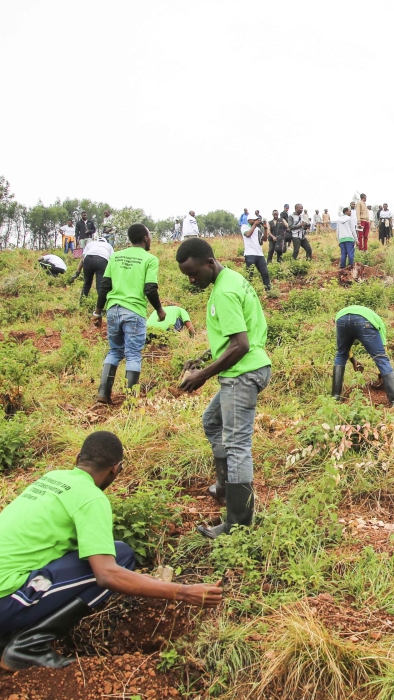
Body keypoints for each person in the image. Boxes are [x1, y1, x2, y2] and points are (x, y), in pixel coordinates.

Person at [0, 431, 222, 671]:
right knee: (121, 558)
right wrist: (184, 592)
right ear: (116, 469)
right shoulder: (91, 498)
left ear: (78, 459)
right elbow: (107, 576)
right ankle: (27, 647)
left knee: (91, 555)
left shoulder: (52, 479)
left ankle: (0, 640)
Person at [176, 238, 272, 538]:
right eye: (186, 276)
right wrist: (206, 356)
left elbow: (240, 345)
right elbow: (237, 334)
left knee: (237, 446)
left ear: (209, 262)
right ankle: (223, 486)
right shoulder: (232, 279)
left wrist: (203, 374)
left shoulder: (225, 292)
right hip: (249, 366)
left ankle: (238, 523)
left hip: (243, 373)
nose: (192, 281)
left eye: (194, 274)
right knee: (212, 420)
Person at [94, 223, 164, 402]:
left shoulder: (115, 257)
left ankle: (103, 394)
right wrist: (159, 310)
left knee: (115, 351)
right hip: (134, 312)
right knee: (133, 353)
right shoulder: (150, 259)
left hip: (113, 310)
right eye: (150, 236)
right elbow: (150, 289)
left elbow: (105, 286)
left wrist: (97, 312)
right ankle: (131, 398)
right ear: (146, 238)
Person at [332, 305, 394, 406]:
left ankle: (335, 397)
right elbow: (382, 349)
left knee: (340, 355)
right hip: (363, 321)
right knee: (380, 357)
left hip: (341, 318)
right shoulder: (377, 320)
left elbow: (344, 350)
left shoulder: (344, 315)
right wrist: (380, 374)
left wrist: (352, 360)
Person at [73, 235, 114, 299]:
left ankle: (82, 302)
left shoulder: (90, 244)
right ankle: (101, 305)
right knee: (100, 285)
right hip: (102, 260)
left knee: (87, 283)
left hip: (88, 259)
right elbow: (112, 260)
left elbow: (82, 259)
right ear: (105, 242)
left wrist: (77, 272)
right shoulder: (109, 246)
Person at [241, 212, 272, 291]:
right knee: (250, 274)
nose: (256, 221)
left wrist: (265, 229)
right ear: (249, 220)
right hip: (249, 254)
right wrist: (254, 225)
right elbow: (248, 234)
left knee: (265, 273)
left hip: (259, 254)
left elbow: (264, 239)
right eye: (254, 220)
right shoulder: (244, 227)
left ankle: (268, 291)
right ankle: (247, 291)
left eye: (257, 220)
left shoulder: (258, 229)